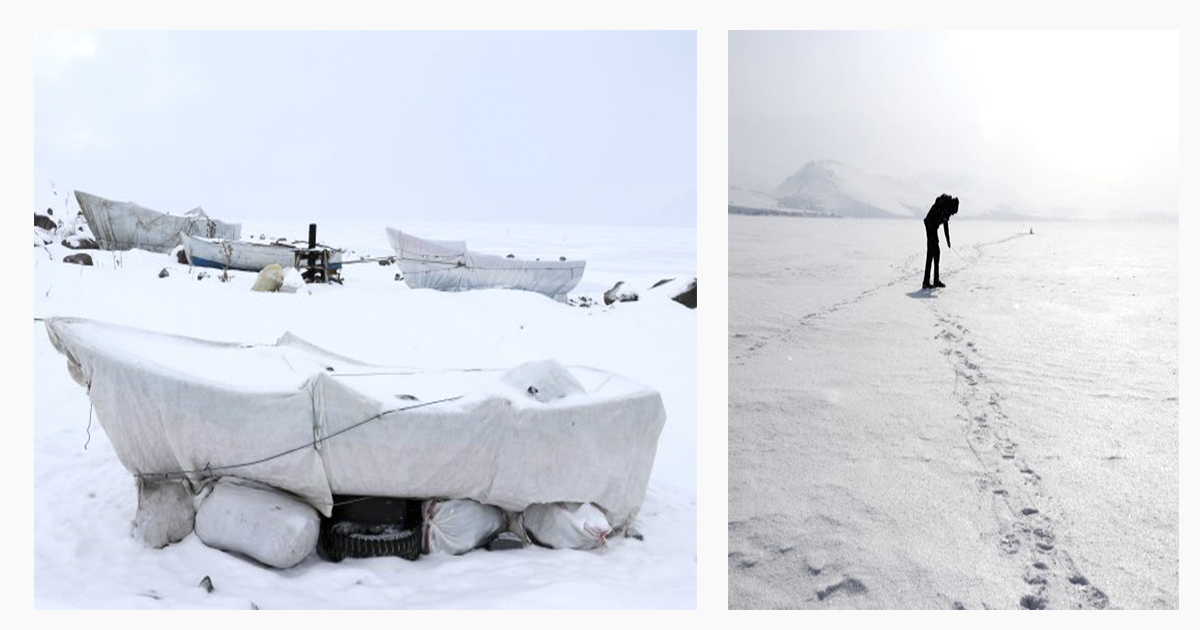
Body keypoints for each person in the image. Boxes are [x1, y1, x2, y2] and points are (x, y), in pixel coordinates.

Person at [923, 194, 959, 289]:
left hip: (931, 226)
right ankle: (930, 281)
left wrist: (948, 240)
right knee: (934, 253)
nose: (952, 214)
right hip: (930, 226)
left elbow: (945, 225)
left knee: (932, 253)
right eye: (953, 212)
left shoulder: (946, 209)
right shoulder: (945, 206)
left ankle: (931, 281)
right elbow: (939, 220)